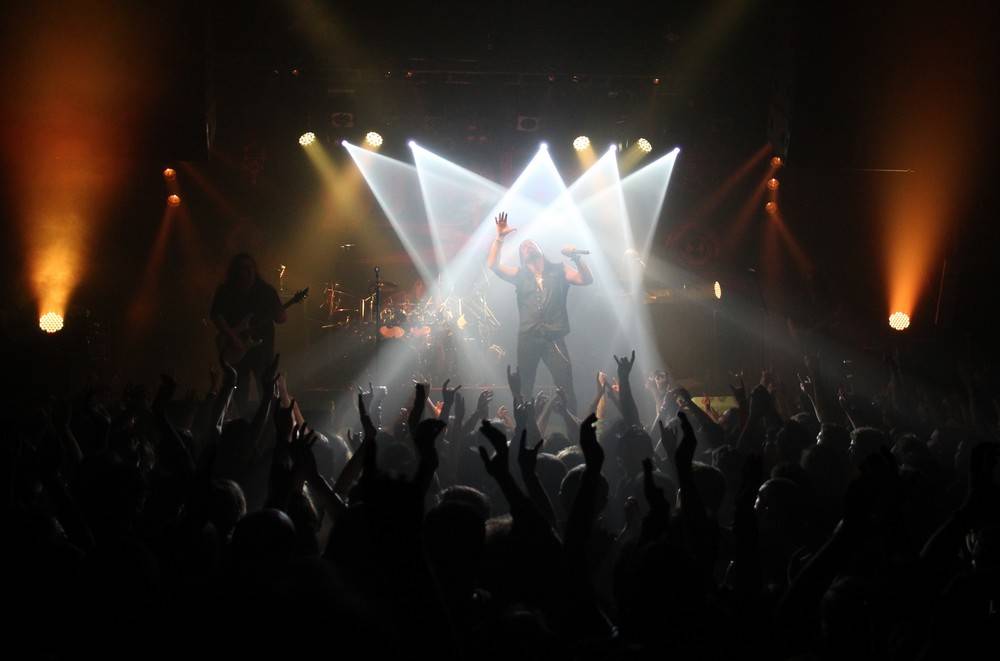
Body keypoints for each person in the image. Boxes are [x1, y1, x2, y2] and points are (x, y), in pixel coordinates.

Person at [486, 212, 592, 411]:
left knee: (565, 385)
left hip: (554, 338)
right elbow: (493, 265)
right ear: (522, 257)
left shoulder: (559, 269)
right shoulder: (519, 274)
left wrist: (576, 258)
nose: (527, 246)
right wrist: (500, 238)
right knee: (524, 388)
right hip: (528, 338)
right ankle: (524, 428)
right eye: (523, 247)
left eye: (530, 244)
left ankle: (573, 427)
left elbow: (586, 279)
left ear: (540, 250)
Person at [210, 253, 287, 414]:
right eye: (243, 268)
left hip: (263, 349)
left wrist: (280, 312)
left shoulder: (266, 291)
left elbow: (281, 319)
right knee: (239, 391)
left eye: (250, 268)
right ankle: (241, 421)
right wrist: (233, 337)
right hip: (237, 349)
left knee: (267, 390)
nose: (247, 272)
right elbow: (216, 315)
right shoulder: (226, 291)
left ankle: (268, 422)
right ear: (235, 271)